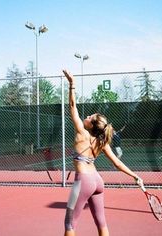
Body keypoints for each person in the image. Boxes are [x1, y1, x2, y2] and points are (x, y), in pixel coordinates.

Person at [63, 70, 144, 236]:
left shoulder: (81, 132)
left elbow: (72, 106)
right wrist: (135, 176)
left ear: (92, 125)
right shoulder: (102, 142)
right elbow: (117, 163)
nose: (86, 115)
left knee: (69, 224)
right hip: (97, 181)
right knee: (101, 223)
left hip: (83, 182)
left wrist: (72, 84)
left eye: (90, 116)